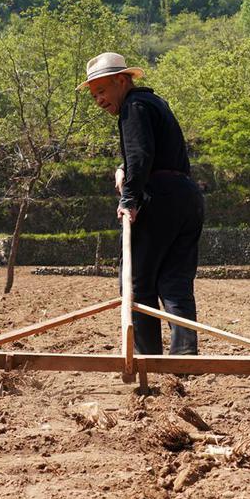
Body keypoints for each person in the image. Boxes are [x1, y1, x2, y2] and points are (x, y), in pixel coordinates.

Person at [81, 52, 204, 356]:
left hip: (159, 200)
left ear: (122, 81)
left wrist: (130, 199)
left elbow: (140, 156)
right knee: (175, 282)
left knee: (136, 283)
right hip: (186, 197)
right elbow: (149, 153)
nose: (98, 100)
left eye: (102, 91)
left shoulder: (132, 107)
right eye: (94, 94)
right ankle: (184, 357)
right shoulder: (156, 103)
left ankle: (148, 359)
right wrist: (126, 168)